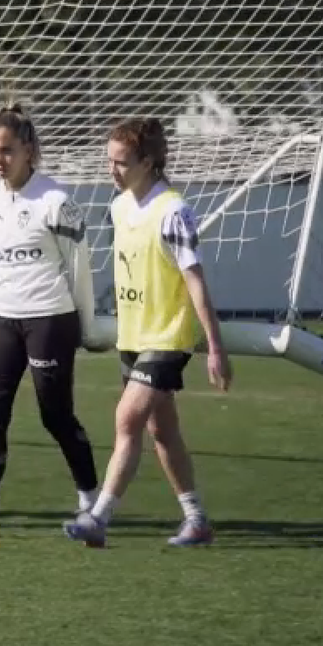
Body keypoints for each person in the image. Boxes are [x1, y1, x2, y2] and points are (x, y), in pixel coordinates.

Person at [0, 103, 104, 539]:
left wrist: (87, 326)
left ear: (28, 150)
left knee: (56, 417)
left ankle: (91, 504)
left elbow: (79, 268)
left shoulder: (56, 201)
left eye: (6, 150)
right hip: (4, 322)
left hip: (50, 318)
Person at [65, 118, 231, 548]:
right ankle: (196, 520)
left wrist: (214, 346)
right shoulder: (119, 208)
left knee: (127, 418)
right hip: (134, 337)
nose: (112, 170)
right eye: (109, 161)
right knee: (162, 431)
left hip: (168, 337)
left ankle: (98, 517)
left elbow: (195, 280)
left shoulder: (173, 210)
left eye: (121, 162)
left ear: (149, 162)